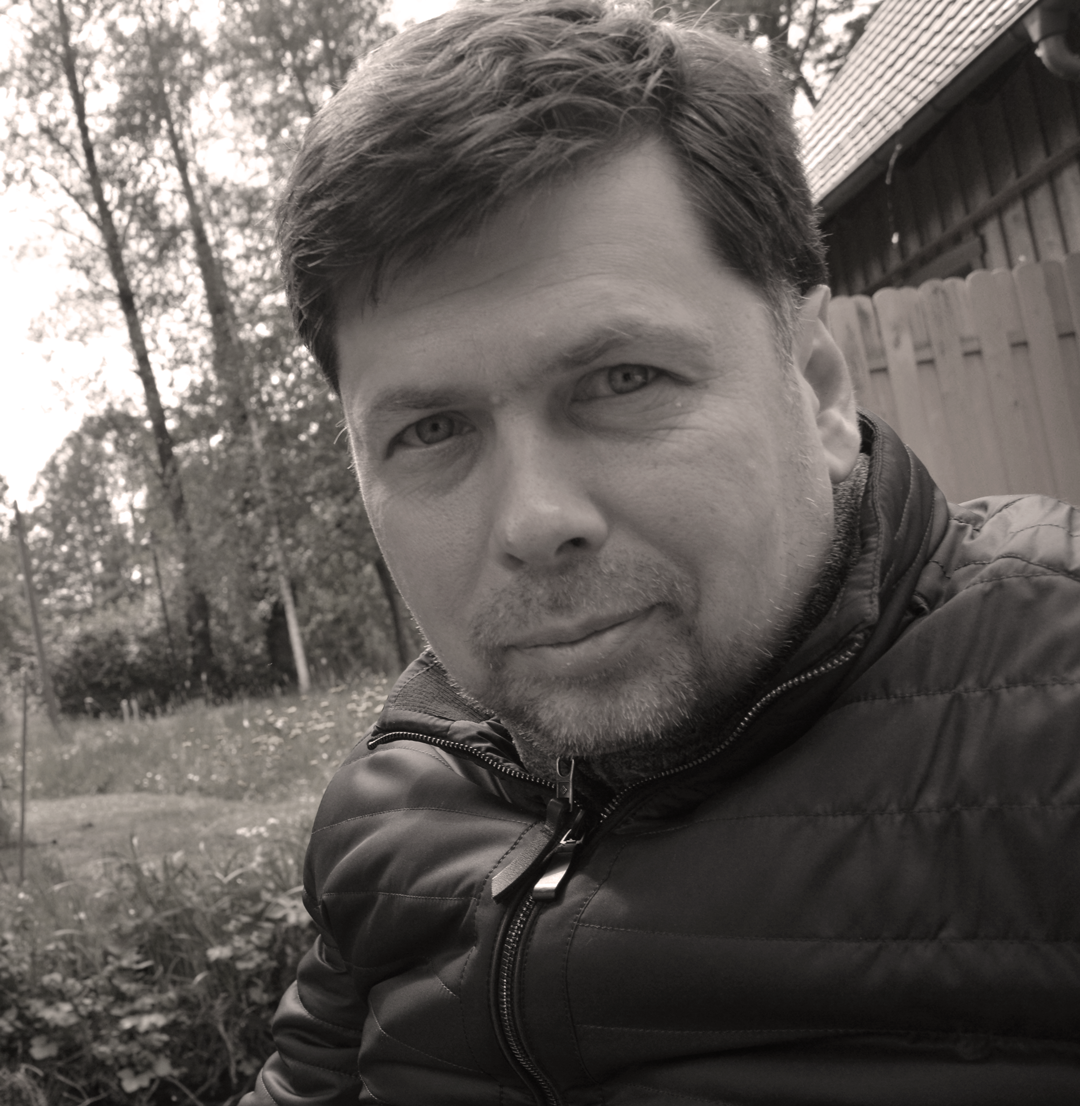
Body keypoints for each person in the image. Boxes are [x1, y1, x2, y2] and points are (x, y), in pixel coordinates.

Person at [243, 1, 1080, 1102]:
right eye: (432, 429)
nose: (534, 520)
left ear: (819, 389)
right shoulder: (392, 796)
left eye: (624, 380)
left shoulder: (1048, 718)